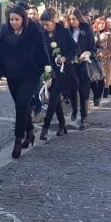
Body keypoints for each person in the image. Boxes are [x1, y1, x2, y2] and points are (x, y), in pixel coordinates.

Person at [0, 5, 47, 157]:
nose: (13, 22)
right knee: (22, 105)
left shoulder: (34, 31)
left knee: (22, 103)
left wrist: (47, 72)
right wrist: (0, 69)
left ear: (23, 19)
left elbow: (43, 52)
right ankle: (31, 132)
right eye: (11, 19)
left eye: (17, 19)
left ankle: (18, 138)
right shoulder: (5, 30)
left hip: (31, 74)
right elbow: (0, 51)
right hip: (12, 75)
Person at [39, 8, 78, 140]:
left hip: (64, 71)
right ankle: (62, 126)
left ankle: (45, 127)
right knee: (55, 100)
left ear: (54, 22)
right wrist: (45, 75)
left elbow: (74, 49)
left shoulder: (64, 32)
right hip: (49, 71)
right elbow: (42, 54)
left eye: (47, 24)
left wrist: (65, 58)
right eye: (43, 24)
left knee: (53, 98)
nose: (45, 27)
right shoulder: (42, 35)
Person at [67, 8, 95, 129]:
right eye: (70, 19)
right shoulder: (67, 31)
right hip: (71, 65)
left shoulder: (87, 30)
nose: (72, 21)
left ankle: (84, 117)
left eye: (74, 19)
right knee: (72, 90)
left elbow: (93, 48)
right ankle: (74, 109)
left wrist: (88, 53)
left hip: (83, 66)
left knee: (84, 93)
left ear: (79, 18)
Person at [91, 16, 111, 105]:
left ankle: (98, 98)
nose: (101, 25)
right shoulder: (92, 34)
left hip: (104, 60)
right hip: (93, 59)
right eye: (99, 23)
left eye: (103, 23)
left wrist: (102, 53)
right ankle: (95, 94)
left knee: (101, 79)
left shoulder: (109, 35)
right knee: (92, 79)